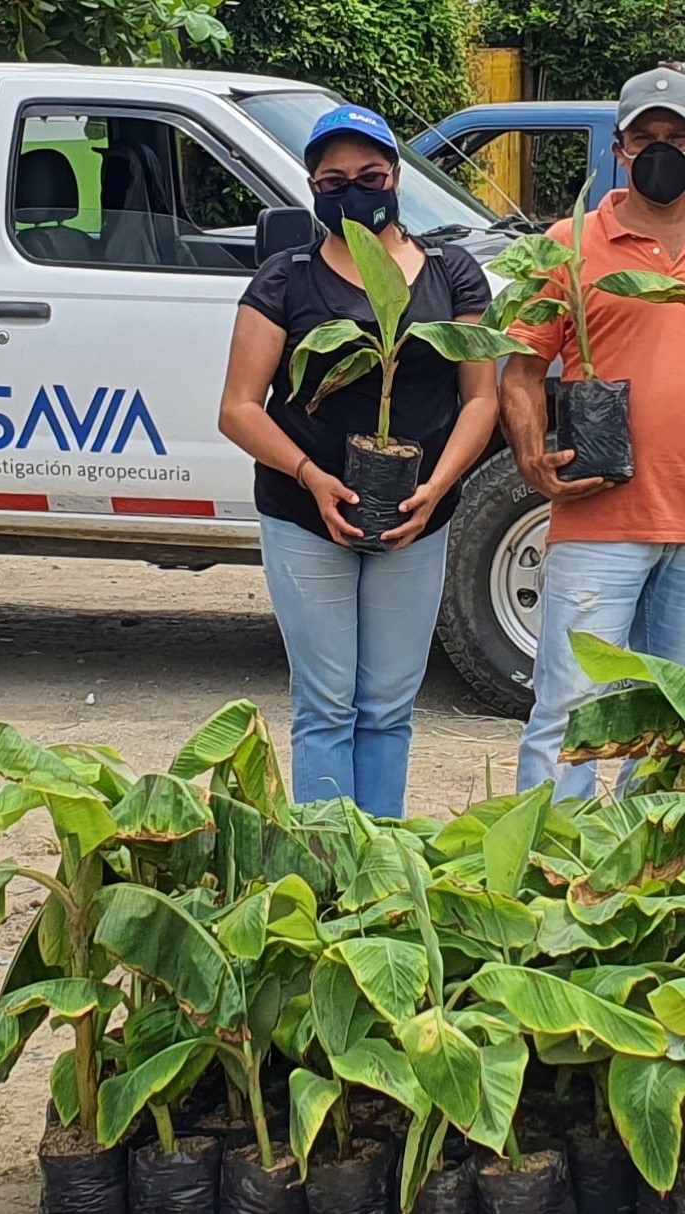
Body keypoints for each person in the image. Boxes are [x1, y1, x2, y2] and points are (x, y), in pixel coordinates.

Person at [215, 104, 498, 819]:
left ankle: (380, 865)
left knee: (387, 705)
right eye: (334, 180)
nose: (355, 191)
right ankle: (326, 868)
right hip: (304, 514)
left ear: (396, 176)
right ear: (312, 187)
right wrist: (311, 478)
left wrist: (438, 487)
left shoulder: (451, 273)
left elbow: (479, 400)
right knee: (325, 704)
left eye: (370, 174)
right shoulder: (289, 277)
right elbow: (239, 408)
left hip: (418, 513)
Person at [502, 68, 685, 798]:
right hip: (600, 515)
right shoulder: (568, 243)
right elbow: (521, 367)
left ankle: (642, 870)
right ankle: (550, 859)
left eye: (677, 138)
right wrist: (531, 454)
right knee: (569, 705)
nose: (661, 150)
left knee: (671, 710)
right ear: (619, 148)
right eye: (644, 137)